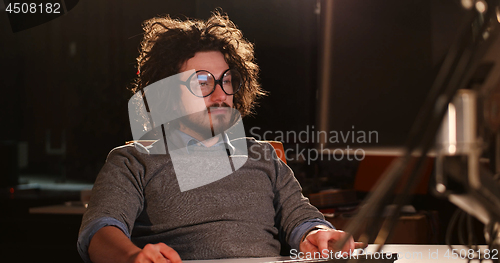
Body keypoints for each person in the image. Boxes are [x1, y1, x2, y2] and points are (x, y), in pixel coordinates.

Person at [78, 11, 363, 263]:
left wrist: (318, 234)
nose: (220, 95)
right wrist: (132, 257)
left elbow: (302, 219)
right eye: (201, 83)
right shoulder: (132, 162)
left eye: (226, 81)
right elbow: (100, 232)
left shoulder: (263, 157)